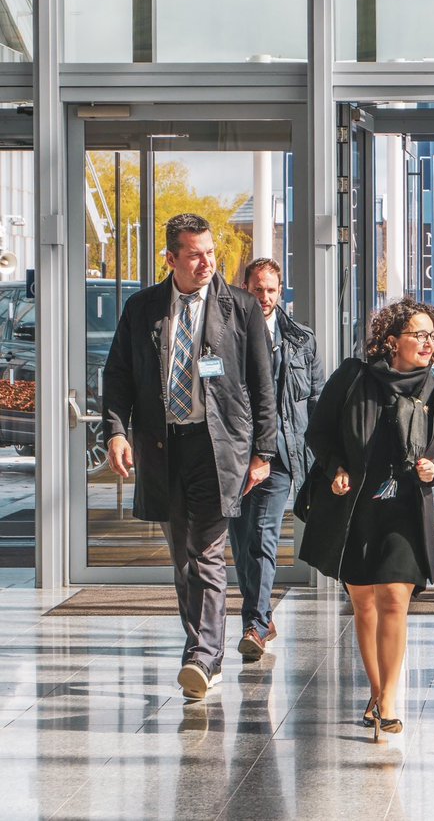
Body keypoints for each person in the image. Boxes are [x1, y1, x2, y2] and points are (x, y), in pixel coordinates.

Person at [102, 213, 276, 701]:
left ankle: (203, 654)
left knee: (205, 553)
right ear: (171, 258)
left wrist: (262, 452)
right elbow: (118, 376)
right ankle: (204, 648)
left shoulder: (239, 308)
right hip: (162, 447)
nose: (206, 262)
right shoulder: (142, 309)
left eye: (211, 252)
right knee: (182, 557)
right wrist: (116, 432)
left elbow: (264, 385)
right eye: (195, 254)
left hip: (216, 446)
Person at [299, 297, 434, 737]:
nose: (428, 343)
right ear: (391, 341)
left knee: (394, 599)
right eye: (418, 335)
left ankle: (389, 698)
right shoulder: (353, 377)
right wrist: (337, 469)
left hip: (406, 508)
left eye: (432, 336)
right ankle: (376, 690)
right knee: (364, 604)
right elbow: (319, 433)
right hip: (355, 508)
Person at [232, 257, 325, 660]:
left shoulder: (302, 339)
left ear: (280, 290)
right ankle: (263, 614)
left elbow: (317, 398)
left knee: (263, 536)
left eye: (271, 290)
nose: (265, 297)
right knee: (239, 538)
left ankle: (253, 624)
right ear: (245, 289)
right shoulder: (226, 336)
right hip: (234, 452)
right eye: (258, 289)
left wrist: (326, 455)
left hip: (282, 452)